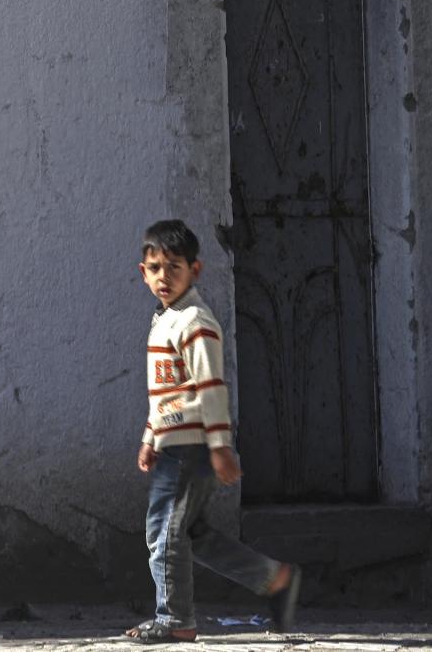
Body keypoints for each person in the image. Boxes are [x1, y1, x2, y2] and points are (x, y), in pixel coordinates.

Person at [126, 219, 302, 643]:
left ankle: (175, 619)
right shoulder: (164, 320)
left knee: (164, 532)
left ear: (195, 270)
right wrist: (150, 436)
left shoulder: (195, 322)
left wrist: (220, 446)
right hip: (173, 444)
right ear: (142, 271)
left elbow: (210, 387)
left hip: (192, 446)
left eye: (174, 267)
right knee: (190, 534)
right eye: (155, 268)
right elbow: (166, 392)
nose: (163, 277)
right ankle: (275, 580)